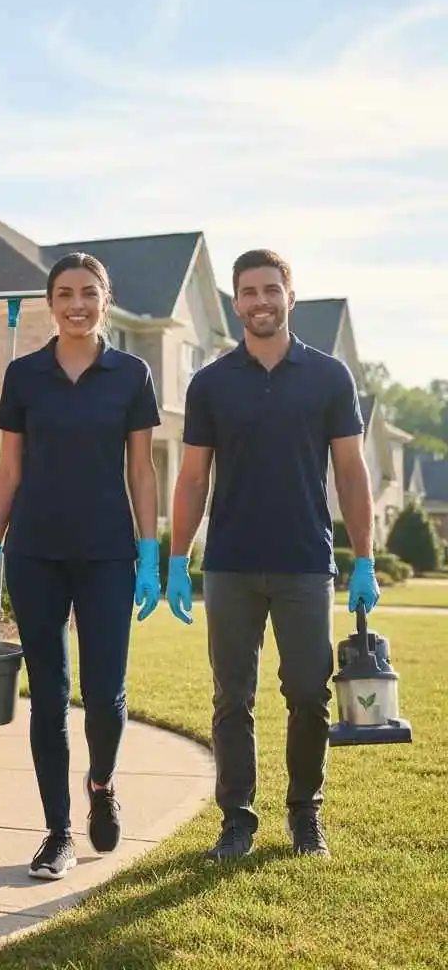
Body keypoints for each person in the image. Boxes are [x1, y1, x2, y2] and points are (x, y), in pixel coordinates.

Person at [166, 248, 380, 862]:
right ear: (236, 303)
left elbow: (351, 471)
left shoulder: (329, 377)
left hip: (305, 563)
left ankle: (305, 813)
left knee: (309, 691)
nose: (260, 301)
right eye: (248, 292)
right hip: (230, 564)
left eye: (270, 289)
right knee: (232, 698)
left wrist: (363, 558)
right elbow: (192, 479)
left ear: (290, 293)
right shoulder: (210, 383)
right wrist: (179, 559)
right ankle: (236, 820)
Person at [0, 252, 162, 881]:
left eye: (88, 293)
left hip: (108, 554)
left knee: (105, 696)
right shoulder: (24, 375)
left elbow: (141, 468)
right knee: (48, 699)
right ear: (50, 303)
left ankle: (102, 784)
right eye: (64, 294)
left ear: (105, 299)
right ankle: (57, 832)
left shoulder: (131, 373)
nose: (76, 304)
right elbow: (11, 468)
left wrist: (151, 550)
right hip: (36, 554)